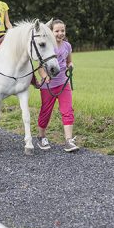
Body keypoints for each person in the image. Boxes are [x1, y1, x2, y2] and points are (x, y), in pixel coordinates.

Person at [35, 19, 79, 152]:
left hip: (63, 83)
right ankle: (41, 137)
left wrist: (71, 65)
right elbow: (40, 67)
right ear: (51, 32)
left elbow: (69, 61)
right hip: (48, 85)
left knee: (67, 110)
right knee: (45, 112)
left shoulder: (67, 46)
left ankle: (68, 141)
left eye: (62, 30)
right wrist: (45, 76)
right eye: (57, 31)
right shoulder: (48, 46)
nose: (60, 33)